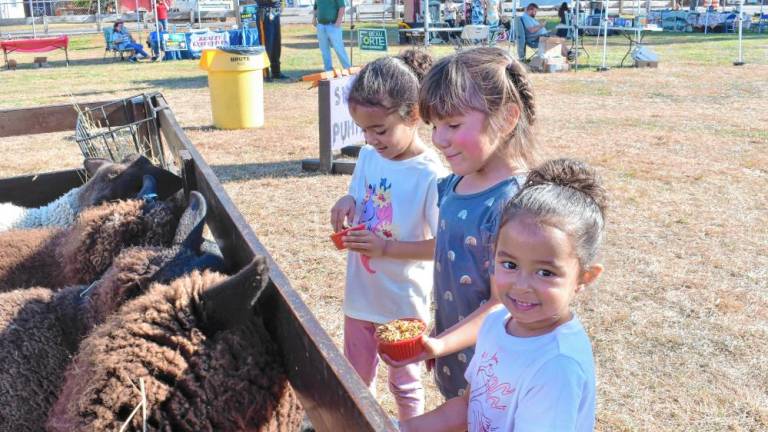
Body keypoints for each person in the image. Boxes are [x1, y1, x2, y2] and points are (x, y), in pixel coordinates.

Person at [400, 158, 606, 432]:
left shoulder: (558, 366)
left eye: (545, 272)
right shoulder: (497, 324)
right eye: (510, 265)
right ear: (493, 254)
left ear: (584, 277)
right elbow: (467, 408)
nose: (522, 285)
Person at [382, 47, 539, 400]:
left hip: (497, 375)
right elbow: (455, 260)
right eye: (435, 126)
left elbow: (504, 304)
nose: (438, 139)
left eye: (453, 125)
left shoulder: (515, 206)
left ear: (507, 118)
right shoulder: (453, 185)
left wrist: (439, 343)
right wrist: (441, 338)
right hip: (456, 360)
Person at [329, 50, 448, 421]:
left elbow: (441, 247)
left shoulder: (430, 174)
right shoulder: (368, 157)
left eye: (379, 130)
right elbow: (361, 195)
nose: (371, 138)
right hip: (361, 295)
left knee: (405, 382)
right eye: (364, 130)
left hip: (401, 302)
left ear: (413, 115)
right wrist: (347, 200)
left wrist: (386, 247)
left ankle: (411, 427)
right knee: (356, 376)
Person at [312, 0, 351, 72]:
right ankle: (328, 70)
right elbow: (315, 7)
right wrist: (314, 18)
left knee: (339, 48)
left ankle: (348, 69)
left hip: (333, 25)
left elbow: (342, 7)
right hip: (320, 26)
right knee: (324, 50)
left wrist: (338, 21)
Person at [257, 0, 289, 81]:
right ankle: (265, 74)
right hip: (265, 12)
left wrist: (282, 3)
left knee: (276, 44)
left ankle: (276, 72)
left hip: (275, 12)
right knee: (267, 45)